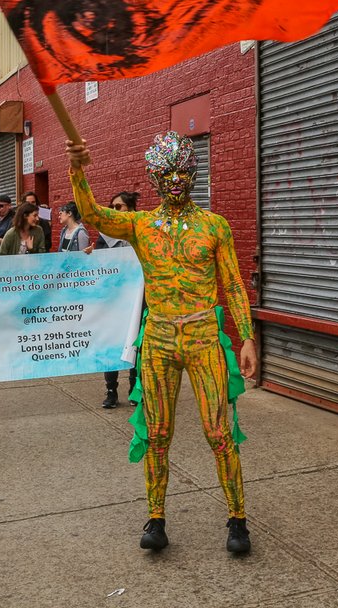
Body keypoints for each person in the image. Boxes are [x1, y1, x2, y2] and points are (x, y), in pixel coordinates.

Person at [67, 131, 257, 555]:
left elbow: (233, 283)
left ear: (194, 174)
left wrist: (247, 336)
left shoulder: (214, 226)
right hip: (159, 340)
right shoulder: (141, 224)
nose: (175, 181)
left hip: (205, 336)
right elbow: (92, 214)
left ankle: (237, 519)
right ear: (154, 178)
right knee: (157, 433)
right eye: (166, 173)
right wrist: (78, 170)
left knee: (218, 432)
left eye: (182, 172)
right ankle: (156, 517)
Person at [99, 191, 140, 409]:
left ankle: (135, 389)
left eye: (120, 207)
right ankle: (111, 391)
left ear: (131, 208)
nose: (115, 211)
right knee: (111, 344)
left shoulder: (142, 231)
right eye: (112, 207)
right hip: (112, 300)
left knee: (135, 343)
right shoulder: (105, 234)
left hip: (137, 298)